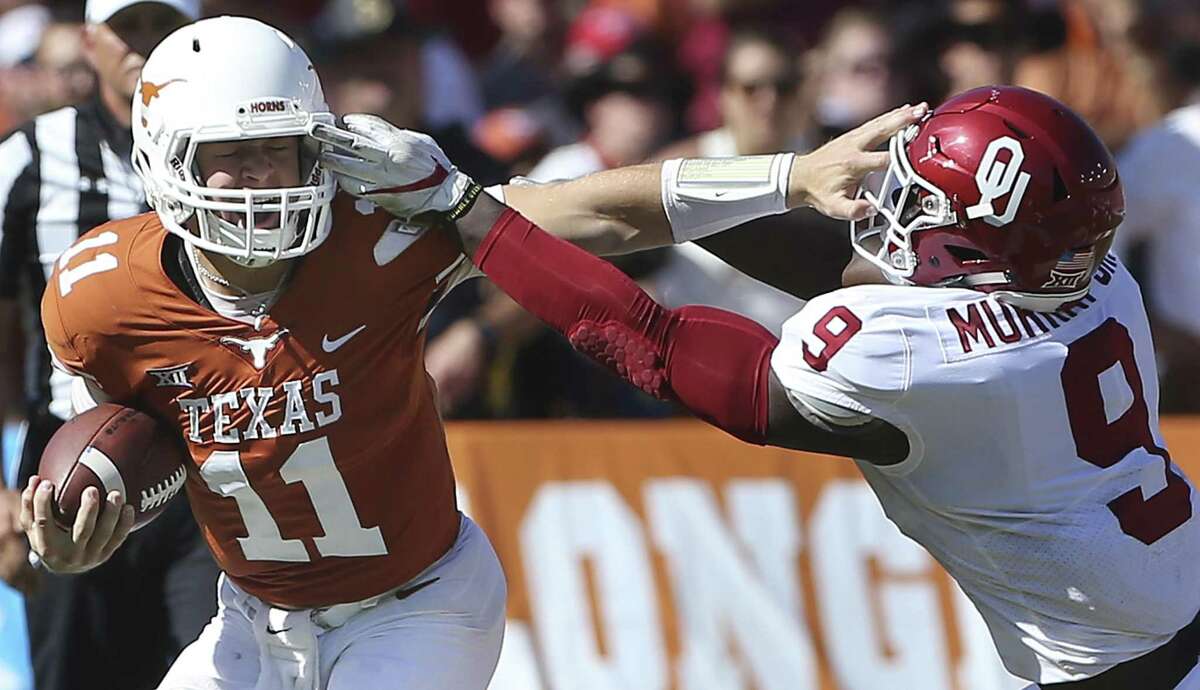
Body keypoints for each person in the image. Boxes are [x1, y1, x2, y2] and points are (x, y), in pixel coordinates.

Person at [18, 15, 922, 688]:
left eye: (281, 151)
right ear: (162, 156)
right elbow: (155, 439)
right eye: (232, 156)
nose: (262, 181)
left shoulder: (377, 232)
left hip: (415, 608)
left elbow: (603, 210)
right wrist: (87, 527)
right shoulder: (99, 297)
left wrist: (791, 176)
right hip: (253, 620)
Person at [319, 85, 1200, 688]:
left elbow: (656, 346)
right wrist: (778, 177)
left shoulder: (917, 361)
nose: (891, 209)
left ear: (979, 249)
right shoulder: (1091, 280)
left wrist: (473, 217)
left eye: (919, 202)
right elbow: (839, 261)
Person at [0, 2, 219, 689]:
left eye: (164, 26)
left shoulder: (244, 149)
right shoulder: (30, 159)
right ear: (91, 40)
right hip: (72, 466)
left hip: (219, 468)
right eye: (131, 29)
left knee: (226, 672)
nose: (148, 47)